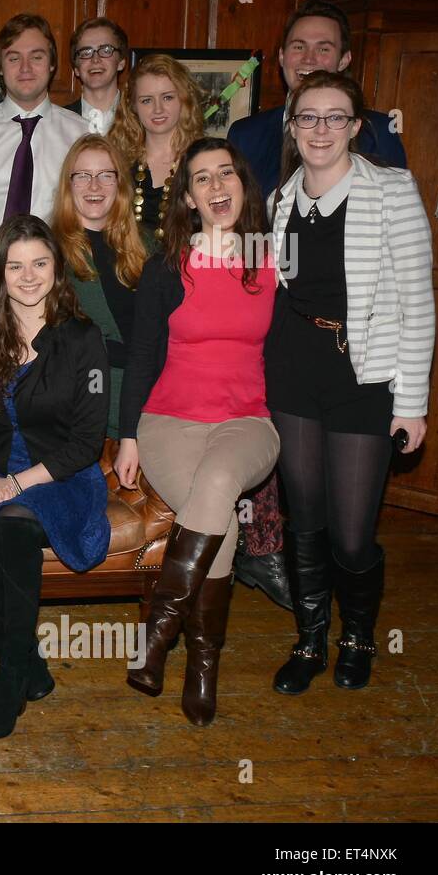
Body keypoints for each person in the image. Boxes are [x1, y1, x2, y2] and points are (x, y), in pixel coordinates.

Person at [267, 72, 434, 695]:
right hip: (293, 371)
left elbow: (419, 304)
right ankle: (310, 639)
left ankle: (359, 636)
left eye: (335, 117)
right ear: (292, 126)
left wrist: (412, 405)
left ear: (356, 126)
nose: (320, 130)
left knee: (353, 530)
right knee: (304, 517)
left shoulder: (391, 191)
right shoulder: (280, 199)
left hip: (365, 375)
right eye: (308, 118)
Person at [115, 138, 280, 726]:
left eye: (226, 174)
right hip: (169, 423)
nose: (216, 187)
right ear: (186, 197)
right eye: (201, 179)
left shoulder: (271, 258)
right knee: (217, 521)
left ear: (243, 185)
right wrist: (130, 435)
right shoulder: (167, 267)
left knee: (216, 481)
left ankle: (158, 636)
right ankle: (203, 662)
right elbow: (140, 357)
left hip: (247, 423)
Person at [0, 215, 110, 740]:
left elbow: (85, 443)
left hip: (62, 473)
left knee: (14, 524)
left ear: (56, 268)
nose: (28, 276)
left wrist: (14, 486)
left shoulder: (82, 338)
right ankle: (29, 659)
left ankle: (8, 679)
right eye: (15, 266)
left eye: (39, 263)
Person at [0, 13, 88, 310]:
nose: (25, 68)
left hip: (55, 284)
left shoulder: (81, 136)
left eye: (36, 56)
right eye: (13, 58)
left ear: (51, 64)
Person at [228, 0, 406, 199]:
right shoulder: (244, 135)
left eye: (323, 49)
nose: (309, 58)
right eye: (298, 47)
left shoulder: (379, 132)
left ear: (344, 60)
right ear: (281, 56)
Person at [51, 134, 148, 439]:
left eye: (106, 175)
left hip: (152, 396)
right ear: (68, 185)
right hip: (88, 400)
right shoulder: (48, 251)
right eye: (83, 176)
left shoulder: (148, 246)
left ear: (120, 185)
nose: (94, 186)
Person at [108, 53, 204, 237]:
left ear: (183, 99)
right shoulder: (116, 162)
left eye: (167, 97)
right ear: (133, 106)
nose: (158, 109)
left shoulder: (204, 160)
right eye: (147, 100)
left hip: (190, 264)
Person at [63, 17, 128, 135]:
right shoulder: (59, 122)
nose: (95, 59)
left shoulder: (140, 117)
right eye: (86, 52)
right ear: (76, 69)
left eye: (106, 50)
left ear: (121, 63)